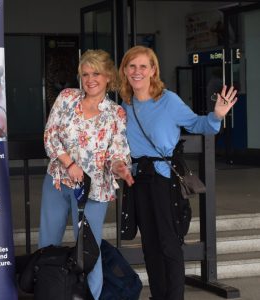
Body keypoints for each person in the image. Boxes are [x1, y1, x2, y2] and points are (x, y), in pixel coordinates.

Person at [118, 45, 237, 300]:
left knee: (169, 244)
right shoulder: (124, 105)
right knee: (150, 245)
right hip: (138, 179)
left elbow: (197, 123)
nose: (137, 71)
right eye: (132, 66)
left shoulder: (168, 100)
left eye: (143, 66)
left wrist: (217, 115)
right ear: (125, 70)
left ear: (153, 70)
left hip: (164, 178)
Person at [38, 49, 134, 299]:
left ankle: (91, 295)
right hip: (58, 181)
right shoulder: (67, 97)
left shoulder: (116, 113)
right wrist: (70, 164)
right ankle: (49, 292)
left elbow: (117, 152)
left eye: (96, 74)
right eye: (85, 74)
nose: (90, 79)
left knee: (90, 249)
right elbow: (50, 135)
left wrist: (120, 167)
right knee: (48, 244)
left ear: (108, 77)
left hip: (95, 189)